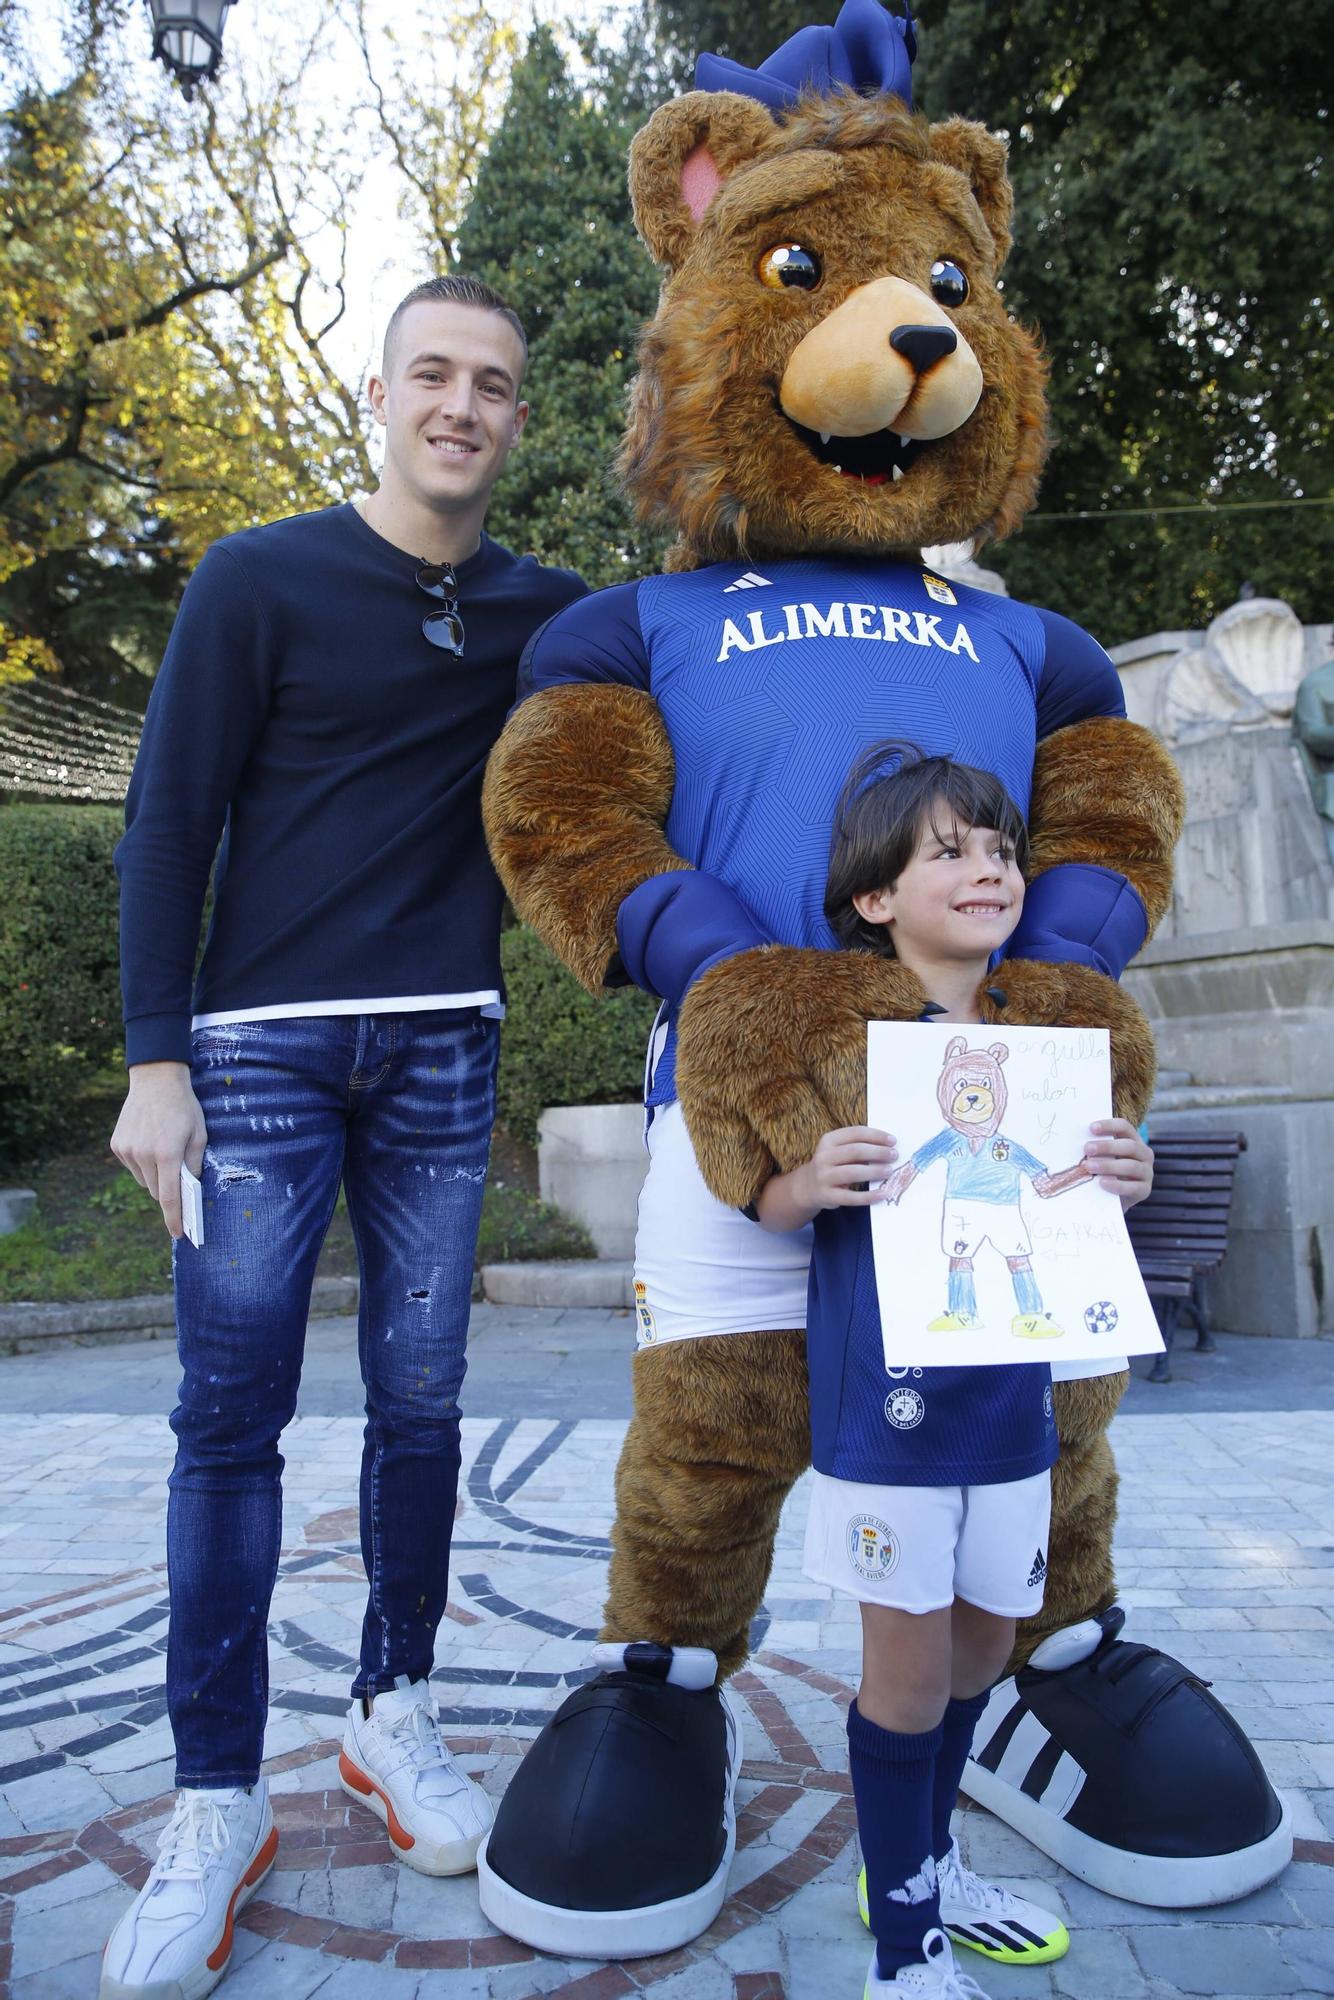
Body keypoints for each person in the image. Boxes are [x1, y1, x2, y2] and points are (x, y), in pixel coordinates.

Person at [101, 275, 586, 2000]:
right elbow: (167, 823)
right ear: (379, 395)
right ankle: (216, 1797)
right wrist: (155, 1060)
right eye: (433, 375)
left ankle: (392, 1712)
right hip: (256, 1058)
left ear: (519, 419)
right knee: (228, 1420)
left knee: (424, 1403)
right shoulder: (259, 578)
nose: (462, 404)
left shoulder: (547, 614)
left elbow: (677, 681)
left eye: (494, 385)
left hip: (446, 1053)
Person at [752, 743, 1154, 1999]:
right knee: (909, 1677)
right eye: (948, 851)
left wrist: (1120, 1172)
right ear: (874, 895)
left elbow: (1069, 1200)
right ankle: (902, 1951)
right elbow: (762, 1199)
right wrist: (808, 1181)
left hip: (1012, 1416)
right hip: (890, 1420)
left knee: (982, 1655)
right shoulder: (837, 1036)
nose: (986, 868)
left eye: (999, 849)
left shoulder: (1045, 1043)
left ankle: (921, 1860)